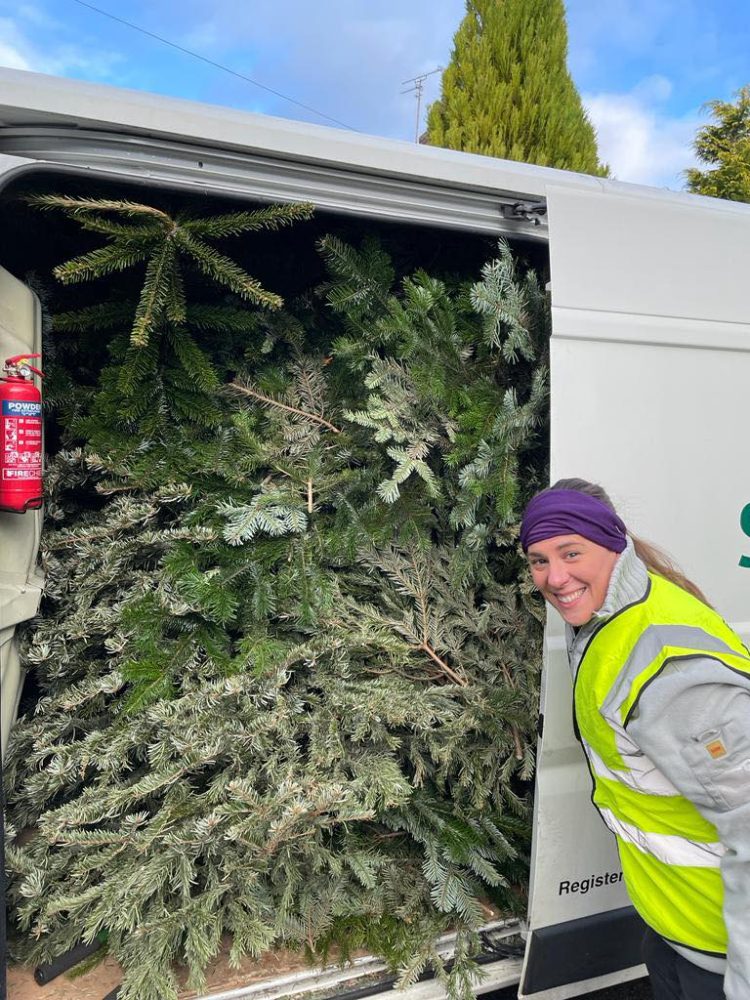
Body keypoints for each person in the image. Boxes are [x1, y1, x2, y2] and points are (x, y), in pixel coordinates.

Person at [519, 478, 750, 1000]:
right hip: (678, 927)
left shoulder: (669, 671)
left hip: (722, 954)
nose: (555, 577)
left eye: (570, 552)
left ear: (613, 542)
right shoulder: (611, 618)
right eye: (538, 560)